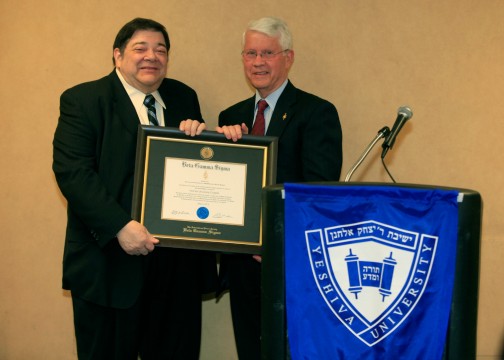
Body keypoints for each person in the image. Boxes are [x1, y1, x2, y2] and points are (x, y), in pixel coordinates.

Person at [52, 18, 215, 360]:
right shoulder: (83, 99)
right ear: (117, 55)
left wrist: (202, 142)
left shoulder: (183, 97)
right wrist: (120, 227)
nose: (151, 57)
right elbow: (74, 172)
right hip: (109, 265)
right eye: (140, 48)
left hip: (175, 271)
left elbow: (199, 170)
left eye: (160, 50)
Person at [216, 16, 343, 359]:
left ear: (288, 57)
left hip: (290, 262)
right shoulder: (231, 116)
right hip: (241, 262)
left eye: (268, 53)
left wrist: (277, 241)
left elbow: (319, 192)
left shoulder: (316, 113)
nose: (258, 62)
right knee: (250, 350)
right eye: (250, 53)